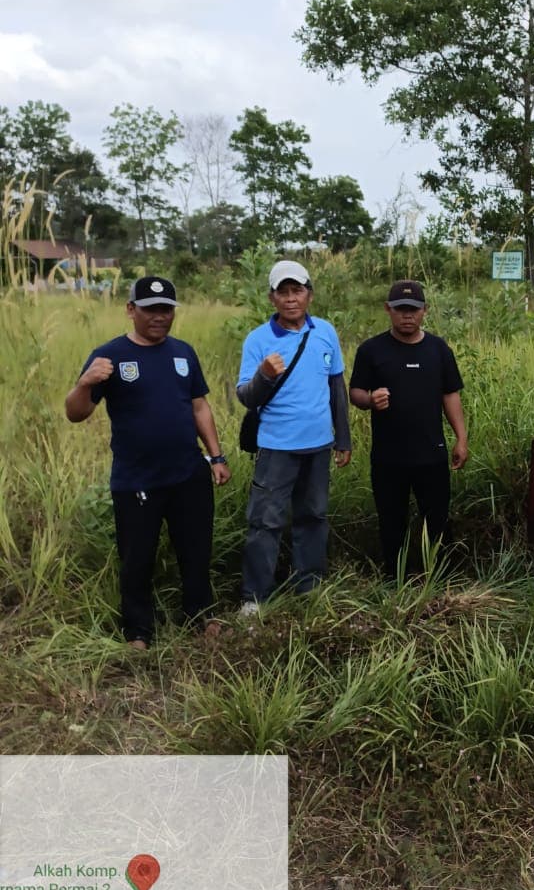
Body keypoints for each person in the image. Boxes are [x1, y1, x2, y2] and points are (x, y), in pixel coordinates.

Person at [65, 276, 231, 648]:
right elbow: (75, 414)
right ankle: (138, 631)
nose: (159, 317)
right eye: (150, 309)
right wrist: (84, 384)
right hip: (137, 479)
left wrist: (216, 455)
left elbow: (199, 405)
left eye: (166, 310)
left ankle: (200, 616)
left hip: (188, 472)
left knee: (196, 551)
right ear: (130, 310)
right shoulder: (109, 356)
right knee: (137, 557)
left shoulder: (184, 352)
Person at [237, 260, 351, 608]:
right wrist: (264, 375)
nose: (290, 299)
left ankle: (308, 587)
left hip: (318, 445)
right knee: (265, 523)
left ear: (309, 295)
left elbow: (337, 388)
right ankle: (254, 598)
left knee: (313, 517)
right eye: (282, 292)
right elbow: (246, 396)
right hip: (276, 447)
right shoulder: (258, 340)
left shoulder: (325, 332)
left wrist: (343, 439)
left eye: (297, 291)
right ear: (272, 298)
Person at [349, 279, 467, 577]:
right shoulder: (371, 350)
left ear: (425, 310)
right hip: (388, 457)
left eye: (413, 309)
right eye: (400, 309)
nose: (407, 315)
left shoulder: (439, 350)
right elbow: (355, 392)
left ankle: (439, 578)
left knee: (437, 520)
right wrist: (371, 400)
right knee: (391, 521)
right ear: (388, 309)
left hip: (432, 454)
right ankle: (395, 579)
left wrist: (461, 438)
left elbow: (450, 394)